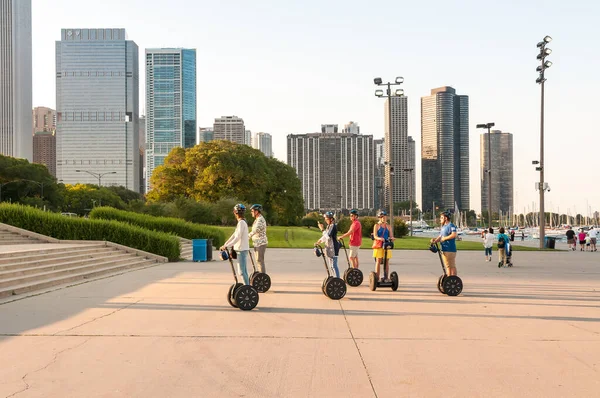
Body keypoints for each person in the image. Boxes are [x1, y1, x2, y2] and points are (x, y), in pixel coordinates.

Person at [220, 204, 250, 285]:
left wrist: (226, 246)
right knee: (244, 271)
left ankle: (247, 288)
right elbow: (234, 235)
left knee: (242, 272)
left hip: (241, 250)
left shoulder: (241, 223)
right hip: (241, 249)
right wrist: (225, 244)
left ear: (235, 213)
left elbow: (237, 237)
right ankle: (247, 287)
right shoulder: (242, 222)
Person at [430, 211, 458, 276]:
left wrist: (445, 238)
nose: (440, 219)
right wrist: (434, 241)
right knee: (448, 266)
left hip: (450, 249)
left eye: (441, 218)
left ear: (445, 218)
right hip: (444, 249)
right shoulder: (443, 227)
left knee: (451, 266)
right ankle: (449, 278)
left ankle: (453, 279)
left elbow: (454, 235)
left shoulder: (451, 225)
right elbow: (440, 237)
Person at [316, 212, 340, 277]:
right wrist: (320, 241)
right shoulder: (329, 226)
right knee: (331, 266)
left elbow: (328, 236)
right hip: (329, 248)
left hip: (334, 248)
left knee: (334, 266)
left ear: (331, 219)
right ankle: (334, 278)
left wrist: (322, 229)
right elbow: (325, 236)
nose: (325, 220)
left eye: (327, 219)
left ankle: (337, 279)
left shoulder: (333, 226)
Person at [372, 210, 394, 282]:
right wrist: (379, 238)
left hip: (386, 245)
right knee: (378, 261)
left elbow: (391, 235)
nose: (384, 218)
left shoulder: (388, 226)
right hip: (379, 245)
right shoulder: (377, 226)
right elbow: (375, 236)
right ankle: (377, 277)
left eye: (385, 217)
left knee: (387, 261)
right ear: (379, 218)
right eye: (382, 217)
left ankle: (386, 277)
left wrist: (392, 238)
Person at [248, 204, 268, 273]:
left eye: (252, 211)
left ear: (257, 211)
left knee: (260, 260)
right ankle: (261, 275)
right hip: (257, 243)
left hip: (261, 243)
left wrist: (247, 237)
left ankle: (263, 276)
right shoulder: (257, 219)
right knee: (258, 261)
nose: (251, 212)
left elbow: (255, 230)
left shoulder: (260, 219)